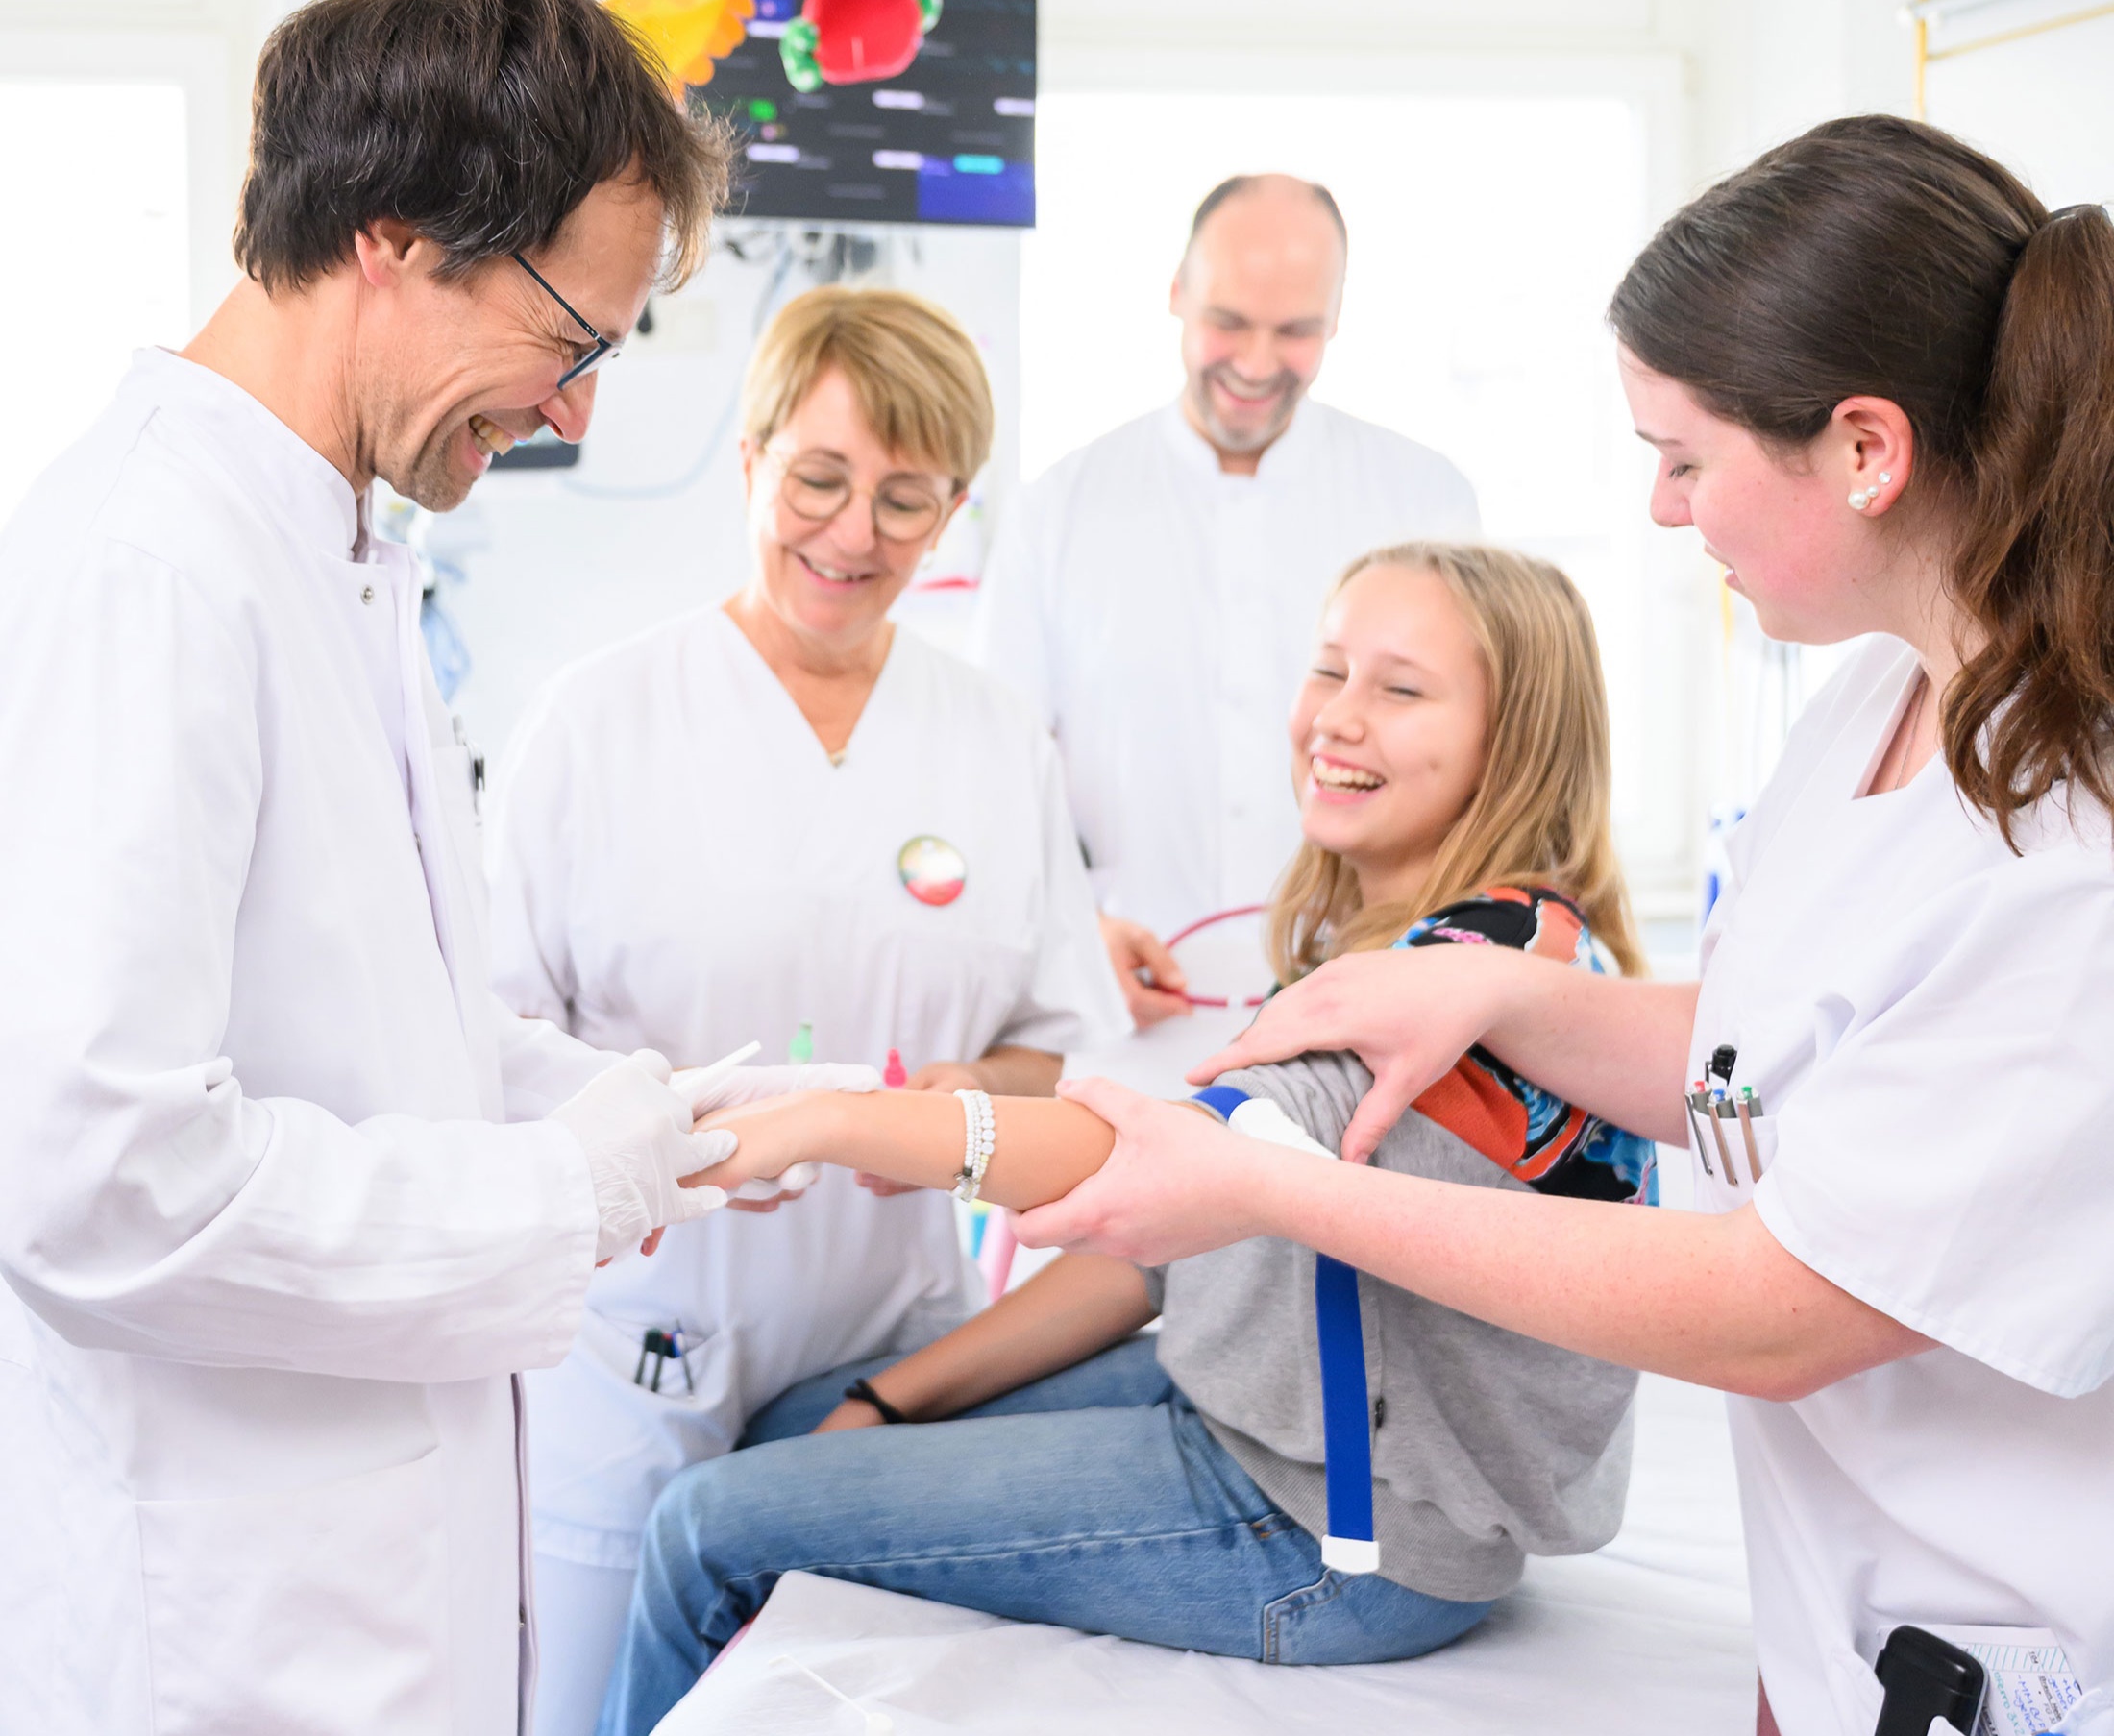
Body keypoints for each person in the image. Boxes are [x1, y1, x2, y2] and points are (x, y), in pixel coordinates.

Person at [988, 118, 2114, 1735]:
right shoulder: (1874, 696)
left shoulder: (2065, 853)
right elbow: (1754, 1052)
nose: (1660, 509)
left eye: (1684, 454)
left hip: (2003, 1651)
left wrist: (1274, 1185)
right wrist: (1497, 996)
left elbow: (1776, 1305)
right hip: (1827, 1621)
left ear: (1867, 447)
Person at [0, 0, 847, 1736]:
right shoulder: (155, 572)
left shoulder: (337, 549)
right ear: (394, 235)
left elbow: (365, 1023)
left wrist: (643, 1115)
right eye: (569, 339)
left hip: (368, 1576)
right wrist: (566, 1188)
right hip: (232, 1625)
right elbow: (93, 1174)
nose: (573, 414)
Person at [593, 542, 1658, 1735]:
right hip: (1254, 1414)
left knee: (705, 1527)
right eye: (1327, 670)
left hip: (1332, 1536)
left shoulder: (1479, 975)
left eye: (1399, 690)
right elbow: (1162, 1242)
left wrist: (828, 1120)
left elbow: (1156, 1163)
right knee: (791, 1425)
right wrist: (890, 1404)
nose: (1334, 720)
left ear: (1510, 740)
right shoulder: (1422, 940)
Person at [486, 285, 1126, 1733]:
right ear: (752, 458)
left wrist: (945, 1098)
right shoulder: (600, 721)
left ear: (956, 502)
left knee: (850, 1700)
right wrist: (668, 1135)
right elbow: (491, 1043)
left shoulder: (992, 738)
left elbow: (1055, 1040)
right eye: (821, 480)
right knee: (593, 1696)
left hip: (887, 1336)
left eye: (907, 499)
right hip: (637, 1330)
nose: (855, 536)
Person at [975, 173, 1480, 1031]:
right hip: (1123, 1006)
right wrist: (1070, 931)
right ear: (1176, 294)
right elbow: (996, 770)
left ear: (1337, 319)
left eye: (1295, 332)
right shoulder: (1059, 508)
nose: (1253, 363)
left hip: (1372, 1005)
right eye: (1227, 322)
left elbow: (1482, 762)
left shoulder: (1427, 500)